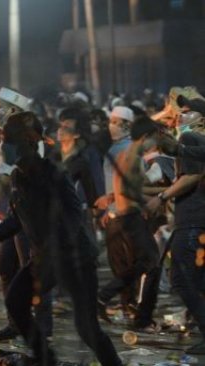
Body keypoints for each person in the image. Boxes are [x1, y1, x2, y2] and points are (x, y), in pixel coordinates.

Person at [0, 112, 122, 366]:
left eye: (9, 140)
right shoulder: (17, 177)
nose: (3, 146)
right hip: (43, 258)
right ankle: (45, 359)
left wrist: (56, 249)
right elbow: (16, 221)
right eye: (3, 139)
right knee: (15, 301)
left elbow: (73, 215)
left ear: (27, 141)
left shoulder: (52, 173)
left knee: (87, 328)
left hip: (74, 259)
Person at [146, 97, 205, 354]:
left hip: (193, 218)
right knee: (198, 279)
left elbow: (193, 176)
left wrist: (162, 197)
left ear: (201, 118)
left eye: (187, 112)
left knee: (181, 278)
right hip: (193, 217)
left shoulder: (191, 139)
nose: (181, 115)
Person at [95, 117, 161, 332]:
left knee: (144, 264)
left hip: (126, 217)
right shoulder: (132, 158)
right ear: (145, 137)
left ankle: (105, 299)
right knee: (152, 265)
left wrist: (160, 195)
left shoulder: (125, 155)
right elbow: (128, 190)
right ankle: (141, 318)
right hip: (130, 218)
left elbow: (126, 188)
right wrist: (153, 199)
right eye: (154, 139)